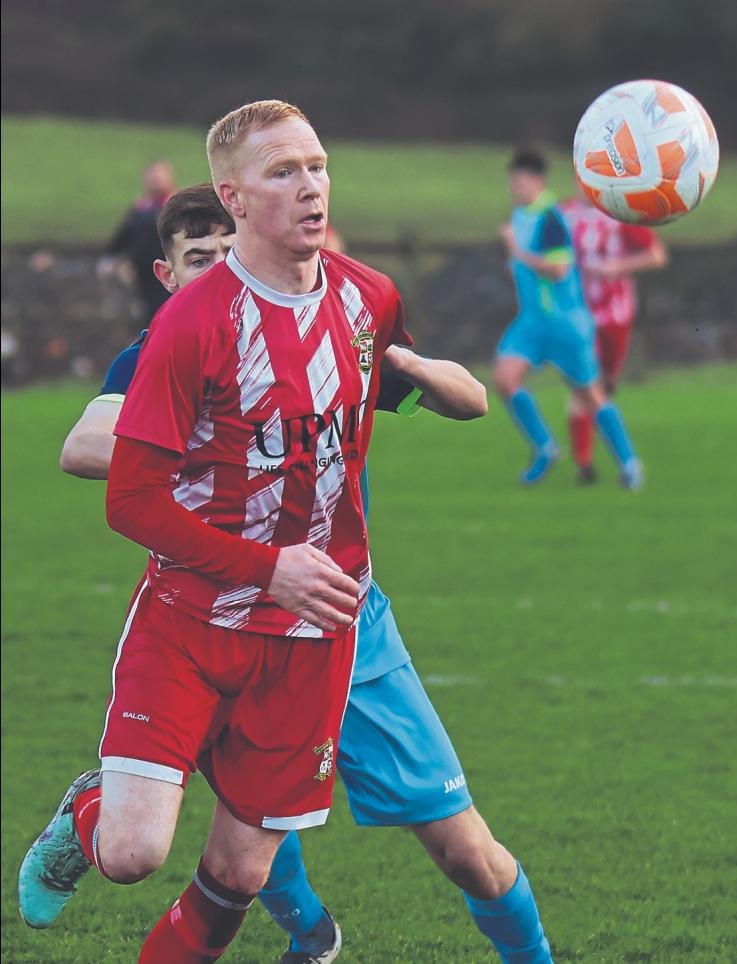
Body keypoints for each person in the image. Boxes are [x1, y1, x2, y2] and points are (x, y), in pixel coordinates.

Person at [58, 184, 555, 964]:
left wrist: (407, 364)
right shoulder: (162, 350)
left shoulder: (333, 334)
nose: (222, 269)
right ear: (167, 275)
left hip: (344, 625)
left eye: (231, 252)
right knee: (224, 847)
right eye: (200, 259)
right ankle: (312, 936)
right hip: (217, 615)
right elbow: (83, 447)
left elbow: (472, 400)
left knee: (465, 849)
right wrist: (208, 441)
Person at [19, 99, 415, 963]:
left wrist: (452, 387)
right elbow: (130, 498)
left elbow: (388, 379)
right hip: (191, 620)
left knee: (238, 875)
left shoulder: (369, 299)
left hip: (314, 635)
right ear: (234, 200)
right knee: (131, 854)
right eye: (284, 172)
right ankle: (86, 815)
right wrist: (268, 567)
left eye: (316, 166)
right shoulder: (191, 326)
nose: (310, 187)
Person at [494, 149, 643, 490]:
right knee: (504, 379)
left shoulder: (551, 217)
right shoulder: (520, 214)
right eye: (511, 180)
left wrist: (518, 254)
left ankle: (629, 462)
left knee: (590, 395)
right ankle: (545, 448)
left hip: (565, 324)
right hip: (532, 321)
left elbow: (559, 269)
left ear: (537, 181)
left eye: (520, 180)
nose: (514, 186)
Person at [560, 192, 667, 482]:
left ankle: (615, 463)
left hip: (615, 315)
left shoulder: (620, 214)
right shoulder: (562, 214)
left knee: (602, 388)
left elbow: (656, 255)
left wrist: (614, 268)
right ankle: (588, 463)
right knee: (583, 386)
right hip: (577, 317)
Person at [99, 159, 176, 321]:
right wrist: (110, 257)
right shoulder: (141, 208)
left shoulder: (178, 205)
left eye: (160, 177)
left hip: (172, 271)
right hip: (145, 275)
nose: (156, 181)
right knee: (150, 317)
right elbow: (124, 235)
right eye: (153, 177)